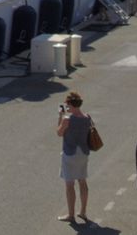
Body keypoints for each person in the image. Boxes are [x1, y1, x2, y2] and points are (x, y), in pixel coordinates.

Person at [56, 90, 92, 222]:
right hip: (83, 153)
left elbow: (59, 133)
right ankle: (83, 212)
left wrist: (60, 116)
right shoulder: (87, 117)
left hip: (70, 154)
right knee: (82, 182)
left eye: (67, 105)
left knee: (69, 185)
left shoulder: (67, 119)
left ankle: (71, 215)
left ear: (70, 104)